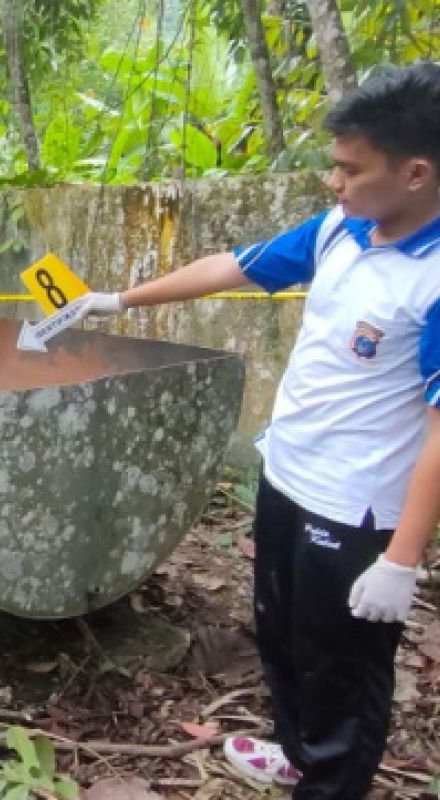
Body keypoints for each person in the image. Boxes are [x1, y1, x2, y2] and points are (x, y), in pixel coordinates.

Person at [75, 62, 440, 798]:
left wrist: (401, 561)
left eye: (348, 169)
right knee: (282, 633)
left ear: (415, 173)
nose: (332, 183)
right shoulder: (343, 228)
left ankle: (331, 782)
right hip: (290, 473)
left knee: (343, 661)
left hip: (359, 505)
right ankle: (300, 753)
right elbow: (235, 267)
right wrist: (117, 300)